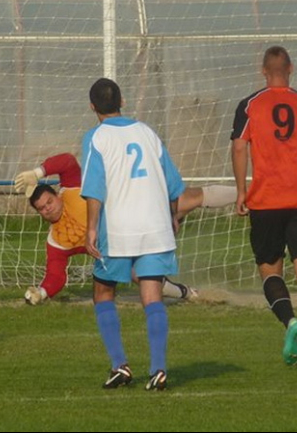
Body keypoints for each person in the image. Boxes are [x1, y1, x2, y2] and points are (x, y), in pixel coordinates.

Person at [230, 46, 297, 371]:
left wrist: (241, 191)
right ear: (291, 68)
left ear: (263, 70)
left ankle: (290, 322)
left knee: (269, 269)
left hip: (266, 201)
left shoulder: (250, 105)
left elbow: (239, 147)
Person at [14, 153, 236, 305]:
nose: (48, 209)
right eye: (42, 209)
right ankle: (188, 293)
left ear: (56, 195)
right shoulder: (57, 240)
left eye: (49, 202)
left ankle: (247, 195)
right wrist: (42, 292)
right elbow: (55, 275)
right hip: (124, 245)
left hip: (136, 212)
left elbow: (67, 161)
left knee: (187, 198)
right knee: (142, 277)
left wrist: (38, 172)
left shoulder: (72, 187)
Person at [80, 77, 185, 391]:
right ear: (122, 102)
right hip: (155, 225)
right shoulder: (147, 132)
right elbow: (172, 182)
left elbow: (94, 188)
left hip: (119, 229)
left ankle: (120, 366)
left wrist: (91, 228)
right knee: (152, 296)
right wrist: (172, 215)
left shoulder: (96, 137)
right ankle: (158, 369)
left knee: (103, 292)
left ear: (92, 107)